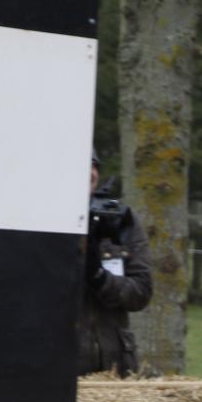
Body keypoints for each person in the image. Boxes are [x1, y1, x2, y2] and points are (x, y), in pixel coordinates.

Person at [78, 151, 153, 377]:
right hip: (61, 367)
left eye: (94, 166)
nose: (90, 172)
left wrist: (100, 279)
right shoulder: (43, 220)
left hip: (115, 368)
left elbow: (141, 292)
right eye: (82, 164)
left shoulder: (119, 220)